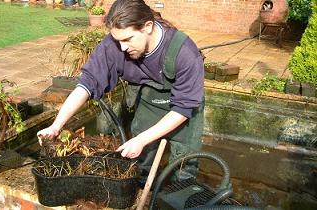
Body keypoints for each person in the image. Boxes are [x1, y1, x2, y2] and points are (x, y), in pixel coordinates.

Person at [37, 0, 204, 181]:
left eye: (127, 39)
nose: (122, 47)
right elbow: (87, 83)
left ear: (148, 27)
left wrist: (142, 139)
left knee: (183, 165)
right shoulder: (114, 46)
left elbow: (183, 107)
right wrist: (56, 126)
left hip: (183, 108)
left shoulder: (184, 52)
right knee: (140, 161)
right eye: (118, 40)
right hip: (149, 99)